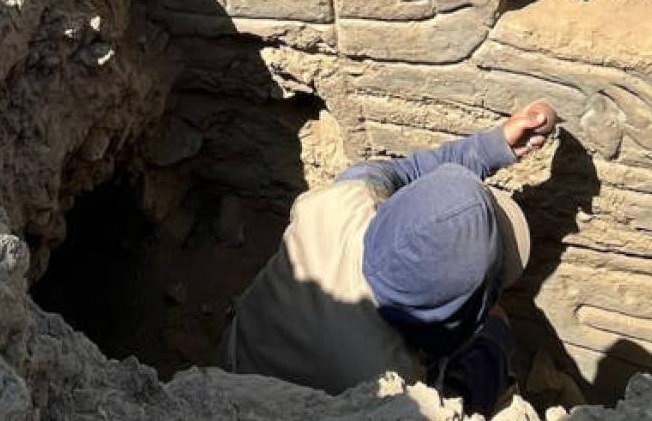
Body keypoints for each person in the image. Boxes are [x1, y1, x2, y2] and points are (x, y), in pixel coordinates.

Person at [219, 101, 557, 415]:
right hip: (260, 409)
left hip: (236, 359)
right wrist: (491, 336)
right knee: (491, 349)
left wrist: (494, 146)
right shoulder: (395, 390)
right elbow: (448, 402)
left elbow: (405, 171)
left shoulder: (343, 201)